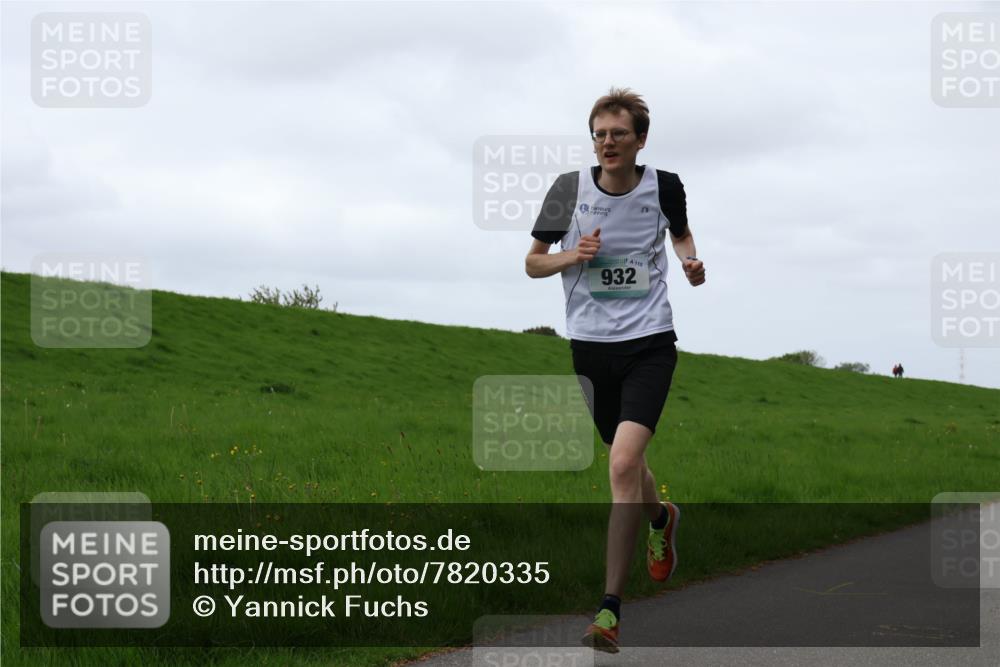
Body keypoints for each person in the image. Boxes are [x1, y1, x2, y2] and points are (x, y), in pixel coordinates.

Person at [524, 87, 706, 653]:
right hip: (590, 347)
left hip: (650, 342)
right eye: (600, 134)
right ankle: (662, 518)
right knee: (630, 470)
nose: (608, 142)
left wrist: (690, 262)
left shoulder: (665, 184)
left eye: (618, 133)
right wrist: (570, 255)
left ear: (640, 140)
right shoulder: (568, 190)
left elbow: (679, 234)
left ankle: (608, 611)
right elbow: (532, 263)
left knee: (623, 462)